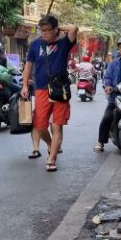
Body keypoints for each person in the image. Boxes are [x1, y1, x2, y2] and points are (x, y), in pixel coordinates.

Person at [21, 14, 78, 171]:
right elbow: (28, 66)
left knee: (57, 125)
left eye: (47, 30)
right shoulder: (35, 45)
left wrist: (58, 29)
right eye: (42, 30)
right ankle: (50, 144)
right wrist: (25, 85)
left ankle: (51, 159)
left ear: (55, 30)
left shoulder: (64, 43)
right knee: (40, 126)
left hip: (60, 89)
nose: (43, 33)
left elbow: (73, 28)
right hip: (41, 89)